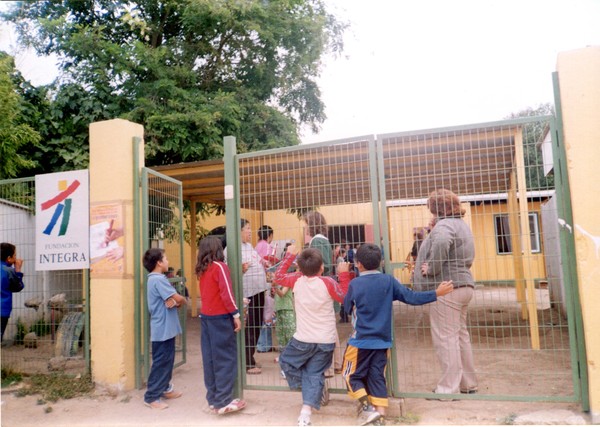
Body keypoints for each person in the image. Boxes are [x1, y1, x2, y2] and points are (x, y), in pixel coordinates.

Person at [342, 243, 453, 425]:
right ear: (381, 262)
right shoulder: (388, 281)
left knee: (350, 376)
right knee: (376, 376)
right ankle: (380, 416)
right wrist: (436, 293)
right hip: (383, 342)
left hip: (360, 342)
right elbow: (411, 298)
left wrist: (344, 279)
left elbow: (347, 308)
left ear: (358, 264)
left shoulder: (355, 284)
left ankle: (368, 408)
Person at [273, 244, 351, 427]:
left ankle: (312, 388)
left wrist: (289, 255)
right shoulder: (328, 283)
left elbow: (278, 277)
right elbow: (346, 299)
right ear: (322, 267)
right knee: (314, 374)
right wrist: (343, 275)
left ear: (300, 268)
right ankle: (306, 411)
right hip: (325, 341)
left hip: (302, 340)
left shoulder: (296, 279)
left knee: (286, 362)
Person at [413, 188, 478, 397]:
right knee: (460, 336)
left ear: (435, 208)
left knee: (445, 338)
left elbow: (441, 241)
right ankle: (468, 383)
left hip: (447, 287)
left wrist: (431, 267)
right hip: (464, 285)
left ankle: (448, 389)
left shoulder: (444, 225)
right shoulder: (462, 225)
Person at [195, 237, 247, 415]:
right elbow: (227, 294)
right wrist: (236, 314)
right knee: (225, 359)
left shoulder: (202, 269)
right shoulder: (220, 267)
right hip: (220, 318)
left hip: (206, 318)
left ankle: (214, 399)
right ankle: (224, 401)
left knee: (210, 359)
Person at [142, 248, 187, 410]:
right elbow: (180, 298)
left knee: (167, 360)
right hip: (162, 329)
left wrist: (176, 302)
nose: (168, 261)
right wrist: (179, 301)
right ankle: (151, 396)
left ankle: (165, 388)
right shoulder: (158, 280)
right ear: (159, 263)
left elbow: (175, 301)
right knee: (161, 362)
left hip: (166, 328)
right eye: (166, 259)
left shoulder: (156, 279)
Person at [224, 218, 269, 374]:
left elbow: (256, 262)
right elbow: (229, 273)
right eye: (247, 228)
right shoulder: (231, 248)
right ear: (238, 231)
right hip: (246, 294)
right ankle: (246, 362)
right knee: (248, 326)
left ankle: (249, 357)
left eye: (250, 228)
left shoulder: (249, 246)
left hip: (258, 290)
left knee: (256, 325)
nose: (250, 231)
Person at [1, 243, 25, 342]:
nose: (16, 258)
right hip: (2, 310)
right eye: (14, 255)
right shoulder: (8, 271)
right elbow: (18, 287)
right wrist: (18, 270)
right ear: (9, 258)